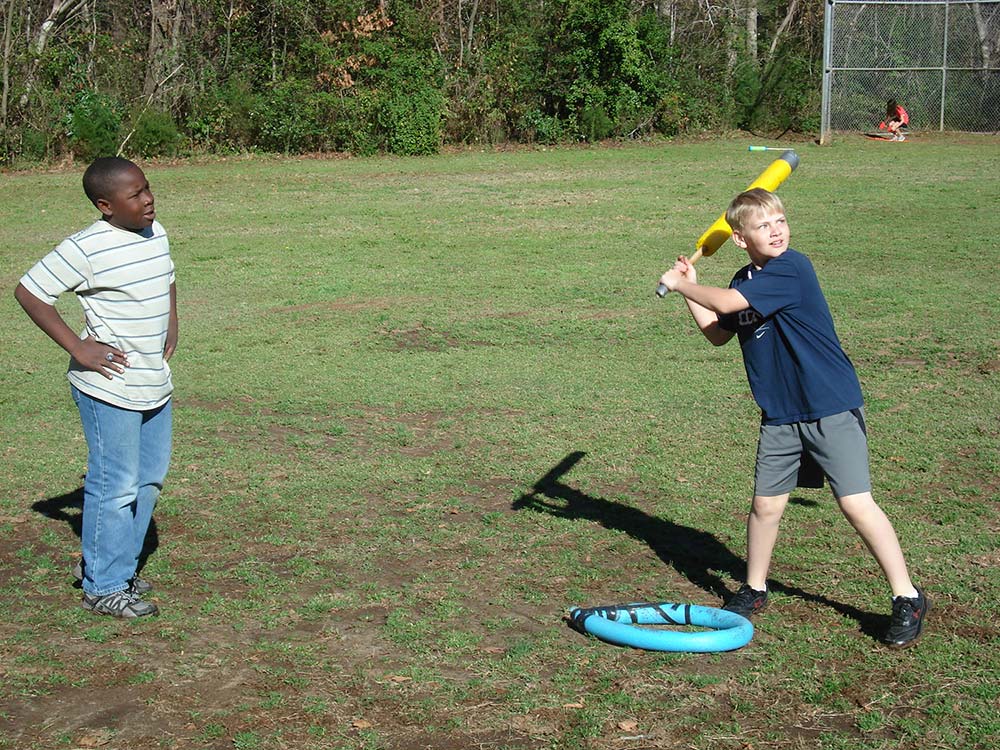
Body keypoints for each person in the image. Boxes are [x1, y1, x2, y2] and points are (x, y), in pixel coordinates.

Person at [657, 188, 929, 648]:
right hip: (780, 413)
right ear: (741, 239)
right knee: (766, 506)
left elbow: (726, 305)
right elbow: (719, 332)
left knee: (856, 503)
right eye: (763, 226)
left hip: (829, 404)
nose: (776, 230)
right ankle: (755, 588)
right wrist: (691, 285)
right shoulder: (744, 280)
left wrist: (682, 284)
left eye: (780, 220)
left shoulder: (792, 269)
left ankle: (907, 596)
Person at [15, 156, 177, 619]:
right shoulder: (87, 248)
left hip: (153, 382)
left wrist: (172, 320)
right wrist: (78, 347)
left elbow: (165, 275)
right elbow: (29, 291)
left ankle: (120, 568)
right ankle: (103, 586)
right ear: (106, 205)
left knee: (147, 481)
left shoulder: (155, 231)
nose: (148, 200)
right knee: (115, 486)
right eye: (136, 195)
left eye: (148, 189)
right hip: (109, 387)